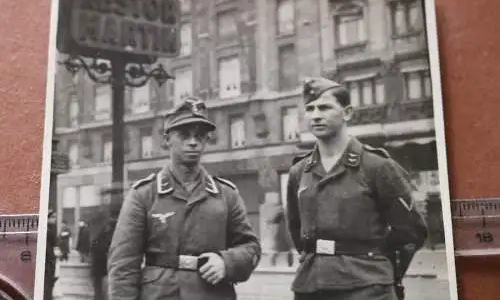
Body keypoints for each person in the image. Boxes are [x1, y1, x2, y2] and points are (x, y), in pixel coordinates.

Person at [286, 77, 428, 300]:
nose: (315, 115)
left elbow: (411, 232)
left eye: (324, 107)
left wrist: (379, 268)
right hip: (311, 287)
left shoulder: (377, 166)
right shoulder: (299, 171)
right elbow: (296, 229)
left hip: (367, 287)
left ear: (348, 113)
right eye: (310, 109)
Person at [107, 97, 261, 300]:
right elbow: (123, 265)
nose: (193, 142)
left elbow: (250, 247)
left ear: (207, 140)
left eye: (200, 135)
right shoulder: (144, 194)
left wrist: (227, 262)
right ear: (166, 140)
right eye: (184, 134)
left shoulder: (226, 194)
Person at [44, 209, 58, 300]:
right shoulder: (49, 231)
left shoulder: (51, 229)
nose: (55, 219)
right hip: (48, 260)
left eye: (55, 217)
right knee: (48, 283)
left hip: (50, 259)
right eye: (52, 217)